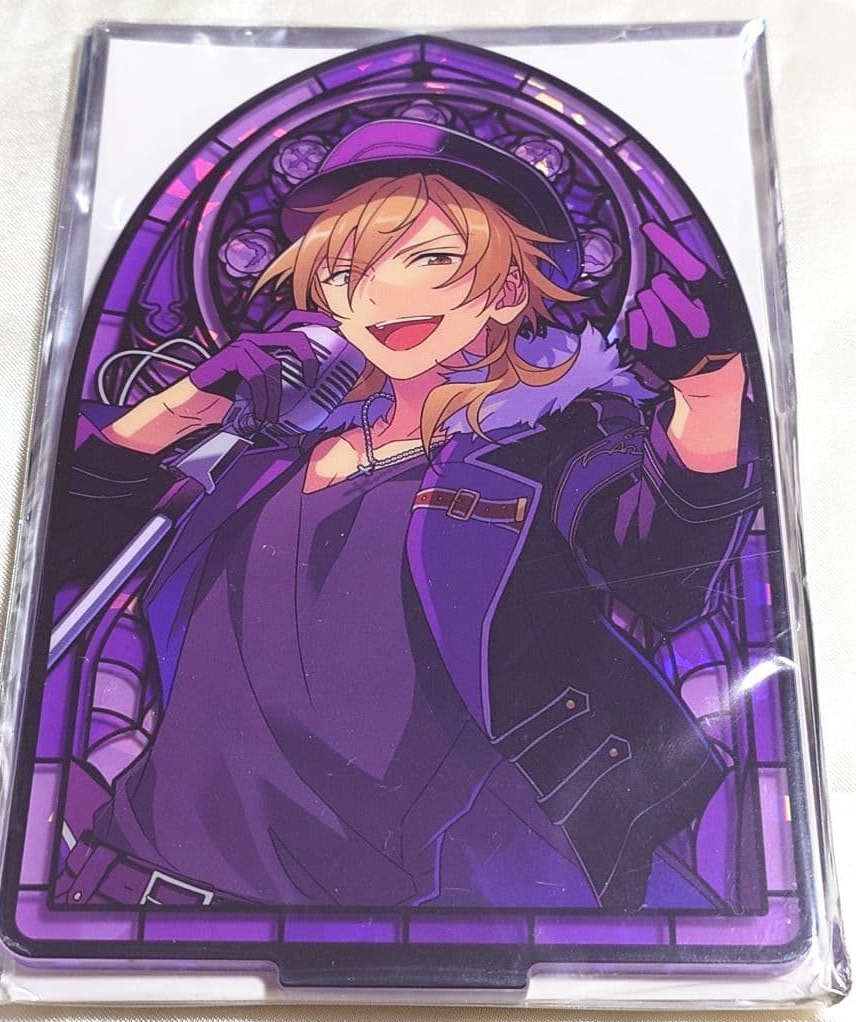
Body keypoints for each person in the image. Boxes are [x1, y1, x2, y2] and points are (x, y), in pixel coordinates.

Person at [56, 121, 761, 913]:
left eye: (427, 259)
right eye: (345, 269)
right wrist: (184, 408)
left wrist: (709, 387)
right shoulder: (257, 455)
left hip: (404, 918)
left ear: (507, 290)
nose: (377, 294)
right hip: (131, 891)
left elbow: (663, 573)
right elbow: (54, 554)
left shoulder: (549, 450)